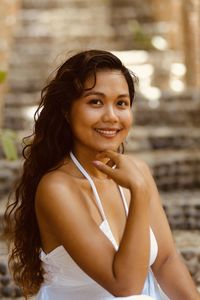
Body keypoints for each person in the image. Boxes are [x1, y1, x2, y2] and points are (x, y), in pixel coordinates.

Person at [4, 50, 200, 300]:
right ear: (67, 111)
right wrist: (139, 193)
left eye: (121, 103)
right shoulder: (57, 188)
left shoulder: (138, 171)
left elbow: (165, 261)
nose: (111, 117)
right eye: (95, 102)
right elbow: (126, 287)